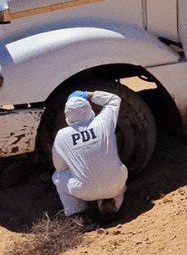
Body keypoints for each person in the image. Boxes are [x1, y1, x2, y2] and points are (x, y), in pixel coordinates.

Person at [51, 90, 129, 222]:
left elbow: (59, 167)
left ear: (67, 114)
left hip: (84, 191)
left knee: (57, 176)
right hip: (115, 183)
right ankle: (111, 202)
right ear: (88, 108)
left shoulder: (61, 136)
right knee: (110, 169)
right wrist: (88, 94)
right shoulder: (102, 122)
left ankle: (77, 214)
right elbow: (114, 99)